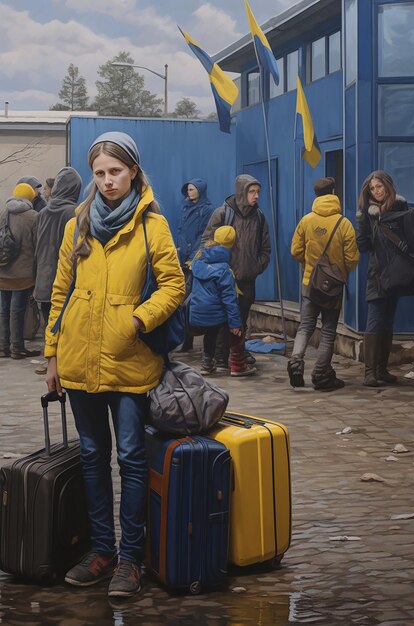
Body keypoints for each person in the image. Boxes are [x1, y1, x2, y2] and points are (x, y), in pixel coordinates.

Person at [44, 131, 185, 597]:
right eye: (100, 173)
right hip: (80, 360)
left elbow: (173, 285)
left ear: (133, 172)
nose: (107, 181)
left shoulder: (153, 226)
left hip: (131, 363)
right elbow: (60, 294)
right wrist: (51, 354)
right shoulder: (77, 225)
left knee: (130, 457)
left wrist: (140, 320)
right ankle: (102, 550)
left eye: (115, 172)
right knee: (90, 456)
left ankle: (132, 559)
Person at [287, 177, 359, 391]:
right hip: (333, 288)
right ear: (334, 192)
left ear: (316, 195)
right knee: (328, 330)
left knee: (306, 326)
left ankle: (296, 361)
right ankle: (321, 374)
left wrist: (309, 264)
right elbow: (352, 258)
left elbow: (295, 251)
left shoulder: (307, 220)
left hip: (309, 283)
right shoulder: (343, 223)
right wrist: (339, 270)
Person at [201, 174, 271, 372]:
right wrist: (216, 269)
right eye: (252, 191)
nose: (256, 196)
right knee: (222, 321)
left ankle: (235, 358)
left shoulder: (259, 217)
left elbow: (265, 249)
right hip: (224, 278)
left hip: (247, 280)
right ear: (242, 192)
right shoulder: (223, 214)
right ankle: (221, 360)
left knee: (240, 321)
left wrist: (256, 267)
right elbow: (207, 242)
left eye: (258, 192)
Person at [356, 170, 412, 387]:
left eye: (379, 186)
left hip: (397, 273)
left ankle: (382, 369)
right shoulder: (366, 214)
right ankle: (370, 373)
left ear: (388, 186)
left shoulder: (400, 207)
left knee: (388, 320)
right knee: (375, 319)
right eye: (372, 188)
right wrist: (364, 223)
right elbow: (364, 246)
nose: (376, 191)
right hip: (377, 273)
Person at [189, 225, 256, 377]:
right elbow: (229, 299)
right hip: (216, 313)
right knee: (235, 330)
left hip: (197, 312)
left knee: (211, 331)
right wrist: (235, 324)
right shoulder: (225, 269)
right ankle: (238, 366)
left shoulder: (199, 260)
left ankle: (207, 363)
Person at [33, 167, 82, 375]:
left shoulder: (44, 211)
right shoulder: (74, 213)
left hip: (43, 276)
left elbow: (37, 244)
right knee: (67, 323)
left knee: (49, 322)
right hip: (64, 278)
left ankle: (52, 359)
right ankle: (63, 361)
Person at [0, 183, 41, 359]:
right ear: (30, 197)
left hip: (3, 269)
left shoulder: (4, 213)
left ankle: (3, 346)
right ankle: (17, 347)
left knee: (3, 309)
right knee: (18, 310)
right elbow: (37, 245)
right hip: (23, 273)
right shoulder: (34, 217)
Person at [175, 178, 214, 352]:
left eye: (192, 189)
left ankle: (189, 338)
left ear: (200, 190)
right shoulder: (186, 208)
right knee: (180, 298)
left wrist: (195, 256)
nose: (189, 192)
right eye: (188, 190)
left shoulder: (207, 210)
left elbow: (204, 235)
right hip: (182, 257)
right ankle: (185, 338)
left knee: (188, 301)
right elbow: (182, 231)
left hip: (194, 259)